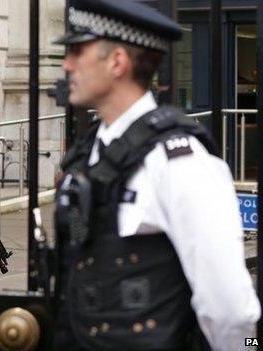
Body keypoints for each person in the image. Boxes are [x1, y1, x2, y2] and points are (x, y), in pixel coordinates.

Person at [52, 0, 260, 350]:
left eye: (77, 51)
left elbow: (231, 310)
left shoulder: (180, 163)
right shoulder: (88, 152)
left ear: (117, 61)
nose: (66, 64)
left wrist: (249, 346)